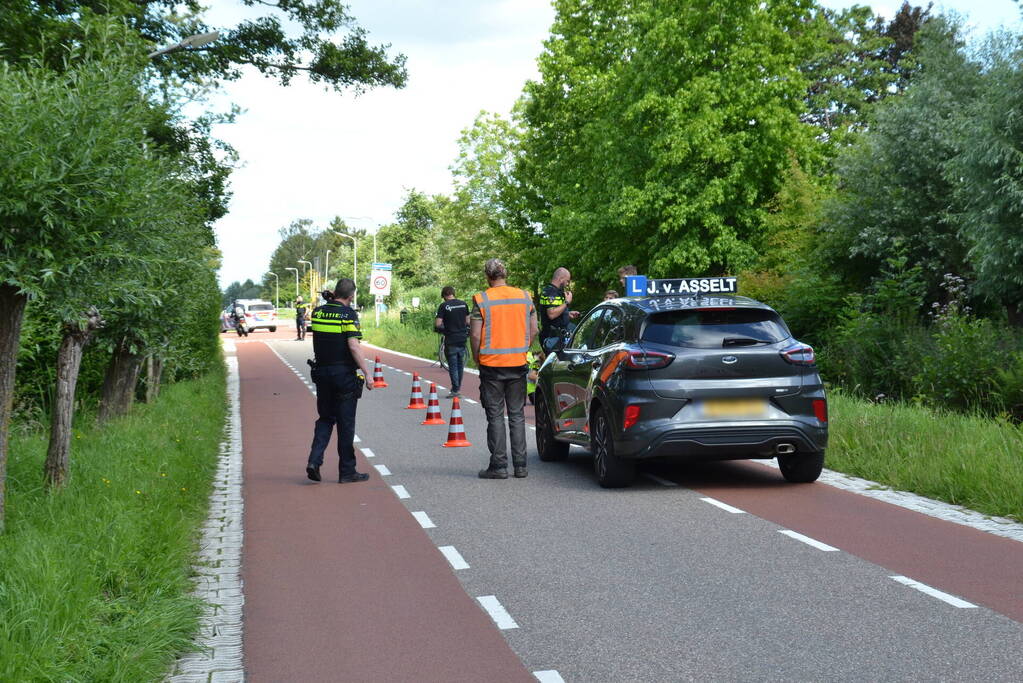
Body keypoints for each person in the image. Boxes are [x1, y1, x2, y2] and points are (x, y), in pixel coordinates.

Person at [470, 258, 538, 479]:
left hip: (491, 366)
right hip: (517, 364)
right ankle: (521, 466)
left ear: (487, 277)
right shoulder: (525, 297)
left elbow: (475, 334)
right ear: (505, 274)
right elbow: (534, 329)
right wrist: (522, 349)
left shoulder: (482, 299)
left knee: (496, 415)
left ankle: (499, 467)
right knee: (517, 414)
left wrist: (477, 358)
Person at [305, 278, 375, 484]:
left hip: (322, 373)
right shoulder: (348, 314)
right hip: (343, 374)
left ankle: (314, 461)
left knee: (325, 419)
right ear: (351, 295)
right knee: (345, 424)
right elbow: (353, 346)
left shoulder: (317, 313)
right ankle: (347, 471)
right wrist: (367, 373)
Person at [435, 286, 469, 398]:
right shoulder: (464, 304)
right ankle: (457, 388)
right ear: (453, 293)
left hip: (451, 339)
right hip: (462, 338)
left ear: (444, 295)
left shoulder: (444, 306)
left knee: (453, 365)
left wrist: (445, 329)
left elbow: (438, 324)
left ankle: (455, 390)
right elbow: (468, 321)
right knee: (460, 365)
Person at [538, 267, 579, 354]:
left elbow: (557, 310)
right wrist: (567, 302)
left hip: (559, 336)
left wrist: (567, 313)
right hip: (551, 338)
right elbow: (551, 314)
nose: (567, 284)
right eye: (567, 281)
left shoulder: (557, 292)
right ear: (561, 279)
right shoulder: (550, 292)